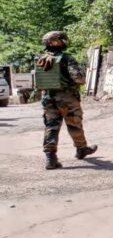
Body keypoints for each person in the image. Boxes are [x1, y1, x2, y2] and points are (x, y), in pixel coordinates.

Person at [36, 31, 98, 170]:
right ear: (58, 42)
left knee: (51, 126)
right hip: (67, 98)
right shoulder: (66, 58)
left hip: (47, 97)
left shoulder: (40, 58)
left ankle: (50, 158)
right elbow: (79, 78)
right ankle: (81, 149)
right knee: (74, 124)